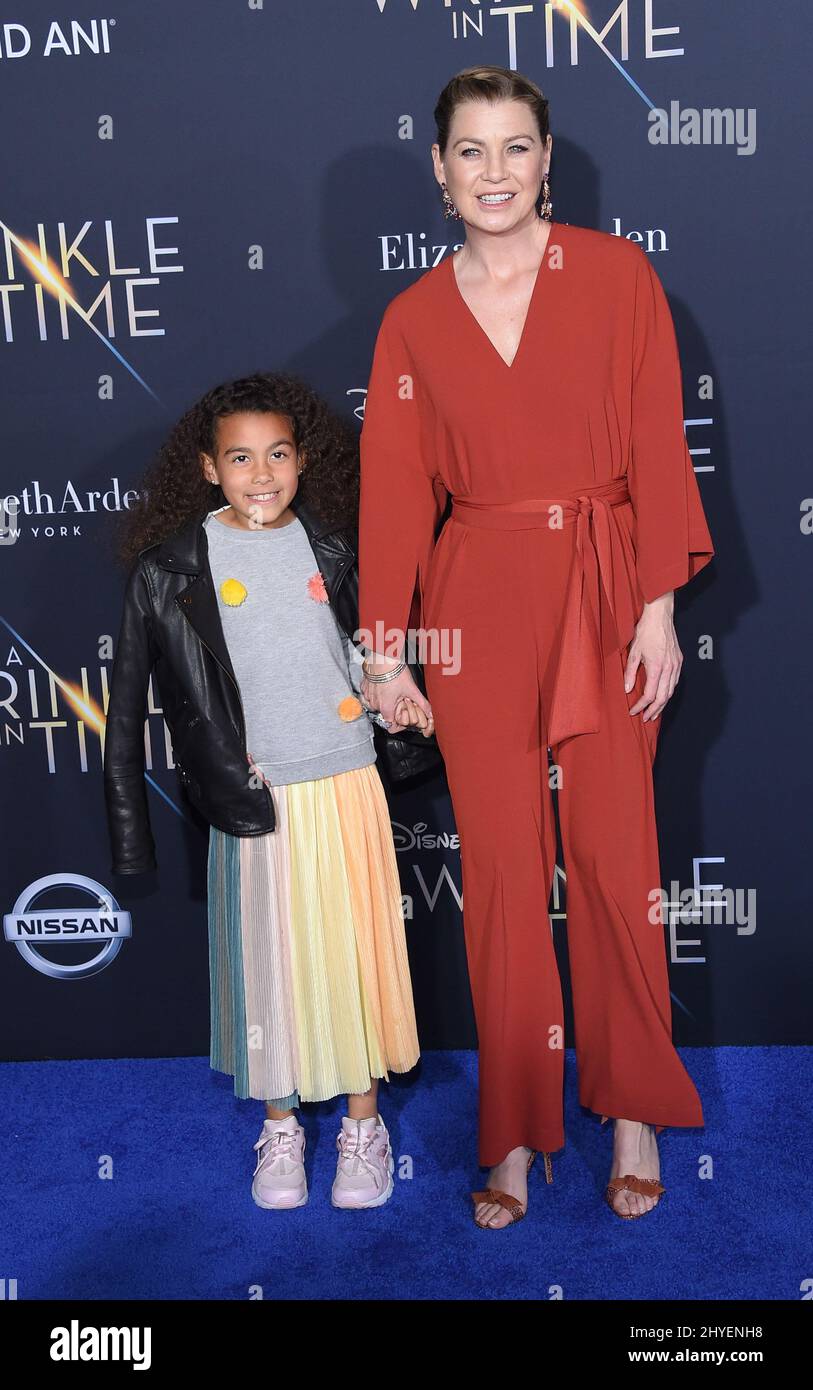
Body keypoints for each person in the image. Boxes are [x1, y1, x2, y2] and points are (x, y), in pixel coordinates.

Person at [357, 66, 715, 1229]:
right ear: (439, 169)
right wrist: (387, 649)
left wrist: (659, 603)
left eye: (517, 149)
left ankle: (631, 1108)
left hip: (607, 585)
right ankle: (513, 1130)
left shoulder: (616, 277)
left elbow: (660, 440)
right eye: (472, 151)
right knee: (503, 875)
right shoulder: (411, 316)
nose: (496, 173)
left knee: (616, 859)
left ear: (548, 160)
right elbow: (397, 492)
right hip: (478, 605)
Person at [103, 372, 435, 1212]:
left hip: (349, 781)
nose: (261, 473)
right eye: (241, 457)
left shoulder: (337, 548)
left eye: (277, 453)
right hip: (254, 804)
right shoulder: (170, 568)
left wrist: (392, 688)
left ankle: (363, 1126)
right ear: (209, 468)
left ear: (302, 459)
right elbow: (125, 713)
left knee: (354, 960)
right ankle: (281, 1126)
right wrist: (132, 835)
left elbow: (373, 651)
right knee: (269, 972)